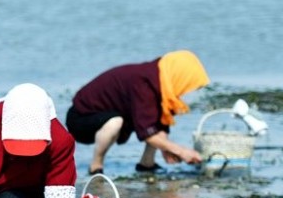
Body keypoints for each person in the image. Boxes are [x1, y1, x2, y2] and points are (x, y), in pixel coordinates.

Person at [65, 50, 210, 175]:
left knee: (155, 122)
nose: (188, 91)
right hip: (81, 118)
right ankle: (96, 166)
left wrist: (166, 147)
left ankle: (147, 163)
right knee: (115, 122)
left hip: (110, 113)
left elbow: (160, 122)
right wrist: (181, 151)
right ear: (179, 77)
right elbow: (147, 134)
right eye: (188, 85)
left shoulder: (159, 80)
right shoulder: (143, 85)